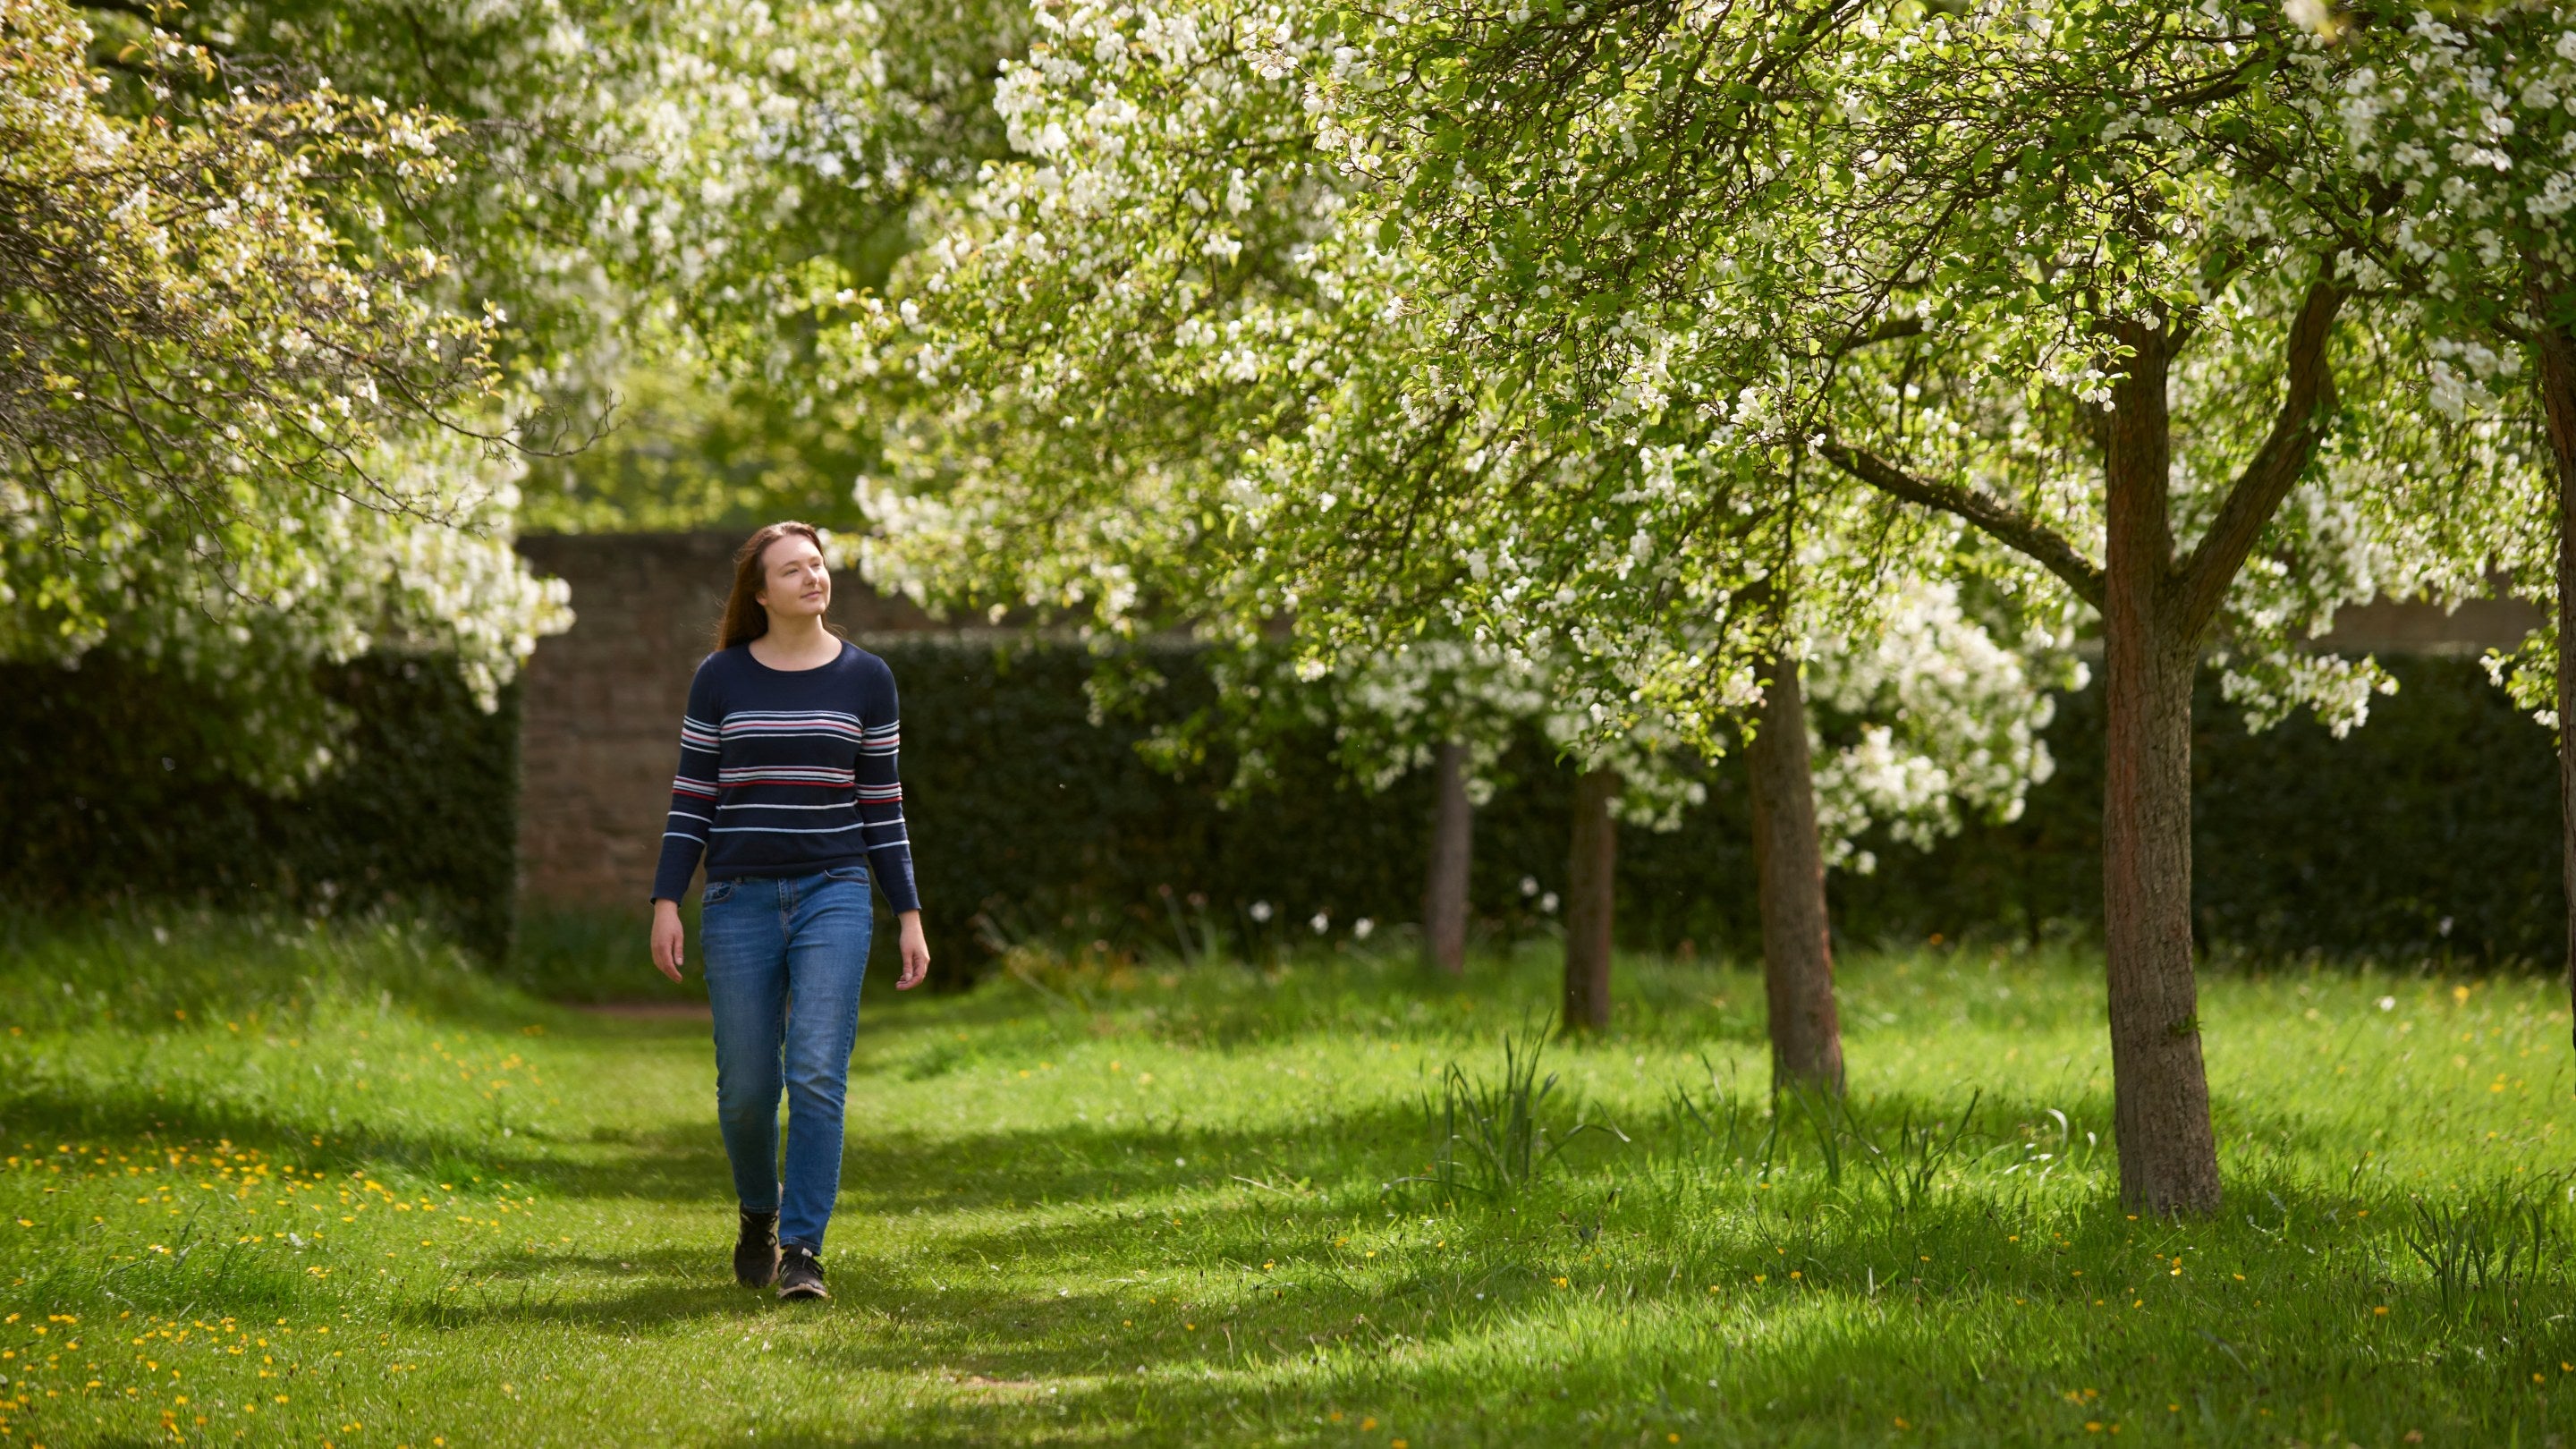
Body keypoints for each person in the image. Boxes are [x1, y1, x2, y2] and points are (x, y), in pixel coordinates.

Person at [648, 521, 930, 1301]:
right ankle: (757, 1215)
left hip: (835, 894)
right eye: (792, 569)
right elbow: (692, 797)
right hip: (737, 899)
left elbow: (883, 803)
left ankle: (803, 1250)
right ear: (761, 591)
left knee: (814, 1070)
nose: (813, 577)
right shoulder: (721, 678)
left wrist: (908, 912)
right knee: (745, 1086)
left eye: (817, 564)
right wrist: (667, 898)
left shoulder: (868, 678)